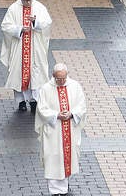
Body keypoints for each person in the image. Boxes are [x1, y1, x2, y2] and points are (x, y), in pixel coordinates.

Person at [34, 64, 88, 195]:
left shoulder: (75, 86)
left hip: (70, 129)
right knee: (52, 158)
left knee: (66, 157)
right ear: (53, 76)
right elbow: (41, 109)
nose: (62, 81)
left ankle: (63, 188)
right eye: (59, 79)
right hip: (53, 131)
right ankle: (54, 190)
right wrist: (56, 115)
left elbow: (82, 105)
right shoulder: (46, 89)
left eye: (64, 78)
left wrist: (71, 114)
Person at [0, 0, 52, 112]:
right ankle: (21, 101)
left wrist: (35, 22)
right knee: (18, 74)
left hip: (35, 47)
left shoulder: (39, 7)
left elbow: (47, 23)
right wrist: (20, 29)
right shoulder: (13, 9)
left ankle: (34, 101)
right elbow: (5, 26)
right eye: (25, 0)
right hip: (19, 47)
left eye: (30, 0)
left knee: (36, 74)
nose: (28, 3)